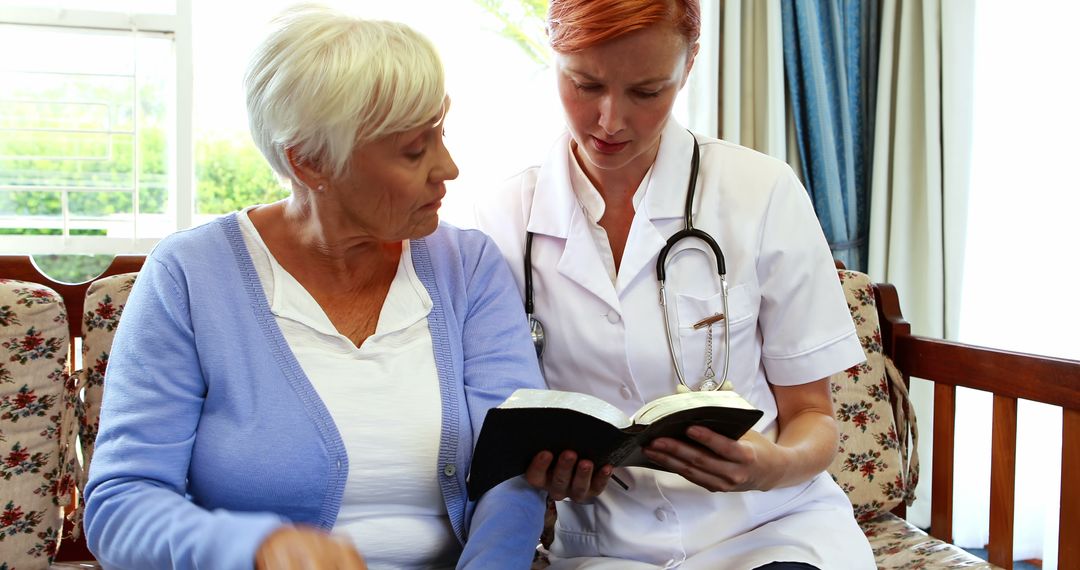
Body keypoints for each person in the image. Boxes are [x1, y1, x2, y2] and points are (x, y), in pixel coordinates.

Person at [83, 5, 545, 569]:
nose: (447, 168)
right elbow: (121, 503)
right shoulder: (188, 276)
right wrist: (254, 549)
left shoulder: (468, 267)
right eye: (413, 149)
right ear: (309, 163)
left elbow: (514, 469)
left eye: (440, 135)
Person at [474, 0, 876, 568]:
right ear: (553, 55)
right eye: (585, 84)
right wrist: (544, 483)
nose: (610, 120)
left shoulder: (759, 192)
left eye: (647, 92)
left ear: (687, 69)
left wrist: (771, 468)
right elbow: (492, 431)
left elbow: (815, 416)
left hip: (770, 531)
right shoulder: (502, 218)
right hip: (605, 549)